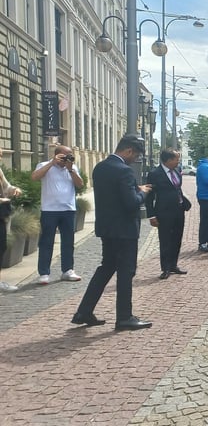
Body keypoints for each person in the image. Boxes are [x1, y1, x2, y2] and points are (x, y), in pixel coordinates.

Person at [71, 134, 152, 330]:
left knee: (106, 268)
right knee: (126, 273)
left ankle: (84, 311)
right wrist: (142, 192)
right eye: (136, 155)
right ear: (129, 151)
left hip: (107, 228)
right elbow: (130, 202)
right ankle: (124, 317)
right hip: (124, 230)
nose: (135, 160)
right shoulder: (124, 171)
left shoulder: (101, 167)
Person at [30, 144, 84, 285]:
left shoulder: (71, 168)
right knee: (46, 241)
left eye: (70, 155)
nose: (67, 158)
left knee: (68, 242)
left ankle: (67, 270)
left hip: (68, 209)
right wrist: (52, 163)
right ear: (56, 154)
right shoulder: (44, 165)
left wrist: (70, 169)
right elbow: (35, 177)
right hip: (49, 210)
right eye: (64, 155)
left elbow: (80, 185)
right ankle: (44, 273)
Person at [146, 148, 191, 279]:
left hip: (179, 210)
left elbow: (177, 189)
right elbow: (149, 197)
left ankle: (173, 265)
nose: (178, 161)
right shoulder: (155, 174)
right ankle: (165, 268)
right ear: (169, 160)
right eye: (176, 159)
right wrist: (151, 215)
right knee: (165, 240)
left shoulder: (177, 171)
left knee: (177, 238)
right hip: (164, 212)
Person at [0, 148, 21, 292]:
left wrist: (14, 189)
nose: (1, 157)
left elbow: (6, 187)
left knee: (1, 246)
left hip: (1, 215)